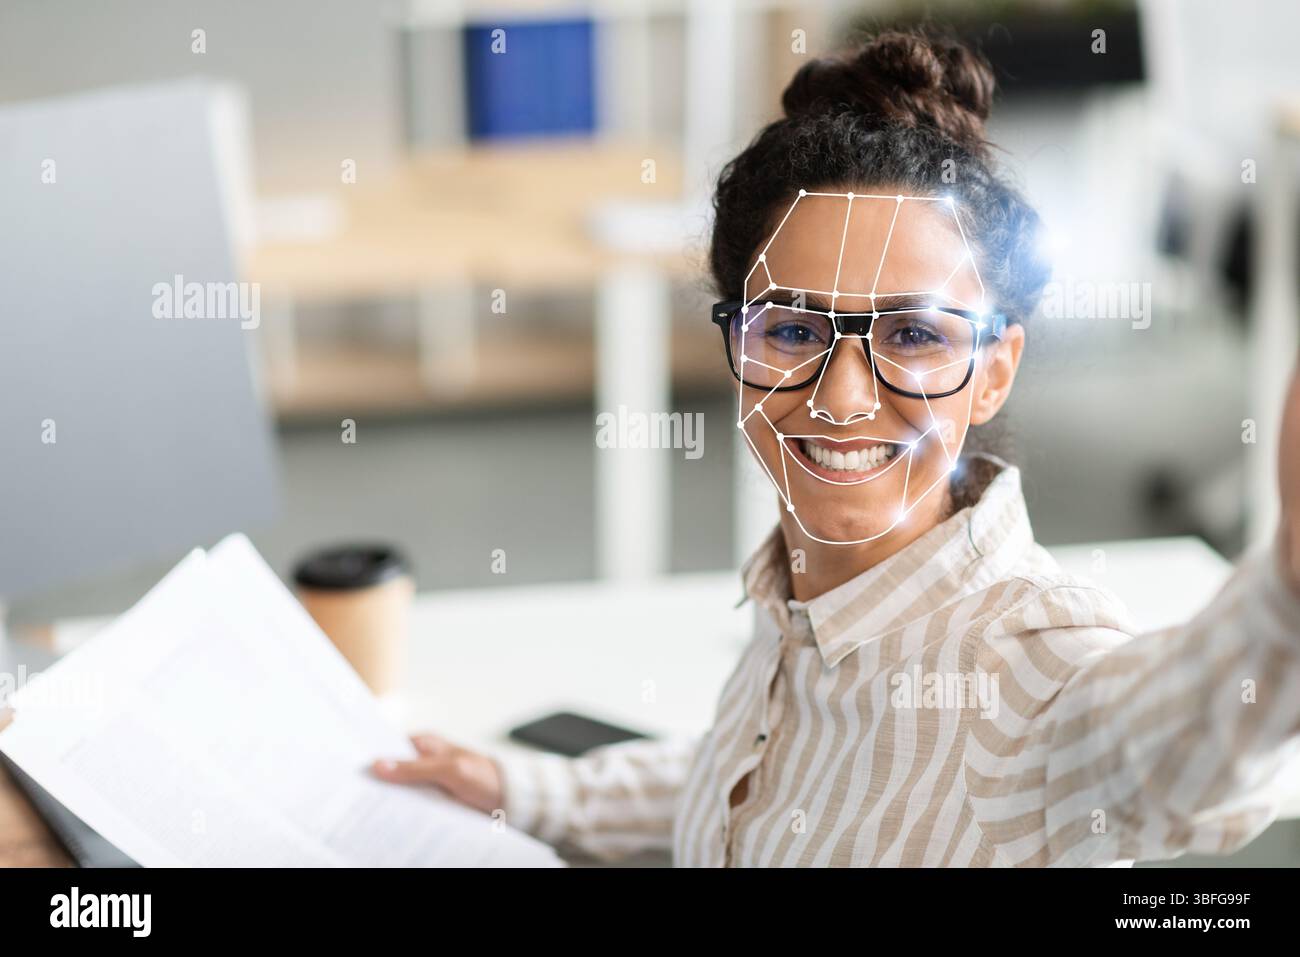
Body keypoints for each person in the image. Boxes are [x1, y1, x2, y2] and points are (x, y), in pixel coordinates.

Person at [372, 28, 1300, 866]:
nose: (842, 398)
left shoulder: (1032, 668)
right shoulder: (806, 592)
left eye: (914, 335)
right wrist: (528, 788)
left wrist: (1288, 588)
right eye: (790, 330)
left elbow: (1175, 748)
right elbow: (760, 777)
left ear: (994, 370)